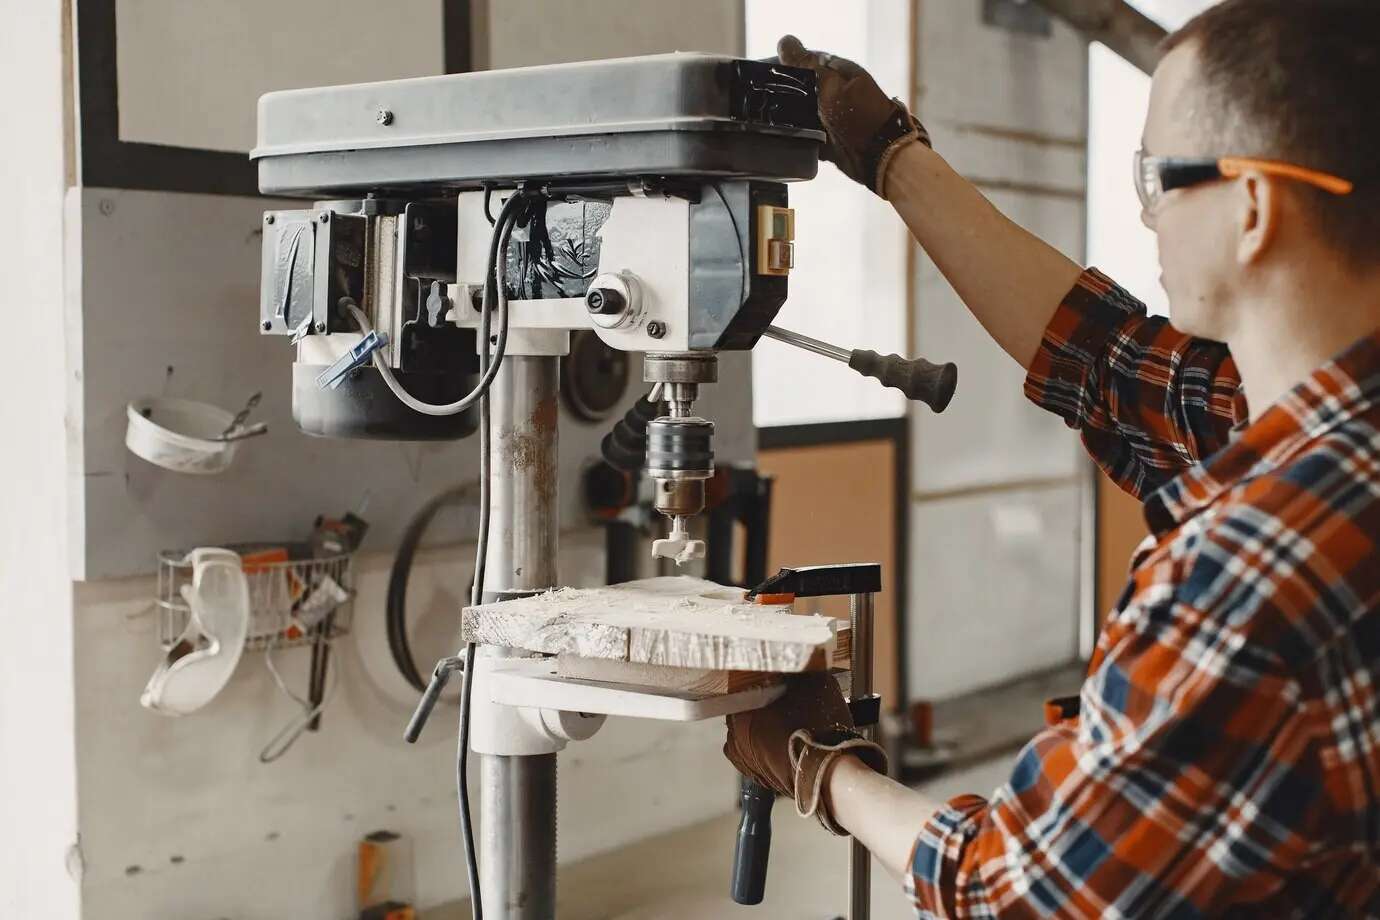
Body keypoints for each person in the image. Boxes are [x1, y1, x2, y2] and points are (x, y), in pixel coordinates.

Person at [722, 1, 1380, 915]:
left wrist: (820, 767)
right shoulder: (1321, 431)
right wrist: (892, 157)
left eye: (1157, 177)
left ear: (1254, 209)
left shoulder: (1245, 570)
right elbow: (1104, 358)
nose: (1145, 214)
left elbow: (1016, 892)